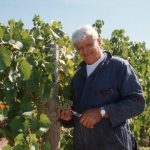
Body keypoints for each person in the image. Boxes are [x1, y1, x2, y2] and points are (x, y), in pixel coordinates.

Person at [57, 25, 145, 150]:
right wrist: (68, 118)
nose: (85, 51)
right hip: (83, 145)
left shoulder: (119, 67)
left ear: (99, 41)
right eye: (80, 48)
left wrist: (102, 112)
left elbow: (137, 103)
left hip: (115, 145)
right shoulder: (77, 77)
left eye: (88, 45)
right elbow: (77, 114)